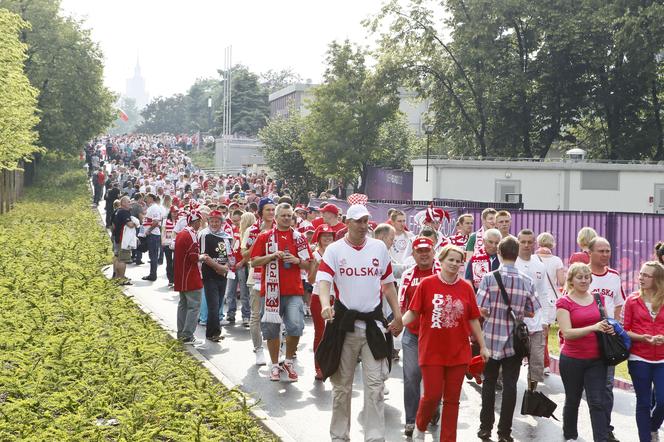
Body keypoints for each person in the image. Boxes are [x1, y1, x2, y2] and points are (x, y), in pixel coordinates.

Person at [316, 204, 403, 441]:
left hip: (373, 325)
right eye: (358, 221)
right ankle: (339, 436)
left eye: (366, 221)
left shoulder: (378, 248)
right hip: (344, 325)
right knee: (342, 387)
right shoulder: (334, 249)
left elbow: (388, 285)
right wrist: (326, 304)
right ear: (347, 222)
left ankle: (375, 437)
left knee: (375, 386)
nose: (364, 226)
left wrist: (397, 315)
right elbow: (323, 280)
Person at [403, 244, 490, 441]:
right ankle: (420, 426)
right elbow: (414, 311)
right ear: (440, 261)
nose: (454, 264)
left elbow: (473, 318)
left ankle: (448, 438)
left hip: (458, 351)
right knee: (432, 395)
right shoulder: (427, 284)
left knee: (452, 400)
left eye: (458, 261)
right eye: (450, 259)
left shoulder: (466, 288)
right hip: (432, 350)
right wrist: (397, 323)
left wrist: (483, 345)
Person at [476, 236, 540, 442]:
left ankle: (485, 427)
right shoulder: (527, 280)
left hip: (491, 338)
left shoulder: (489, 277)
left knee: (489, 383)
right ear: (517, 253)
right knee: (511, 385)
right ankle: (505, 432)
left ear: (500, 254)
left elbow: (481, 308)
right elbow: (532, 312)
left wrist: (492, 314)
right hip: (514, 340)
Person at [250, 203, 312, 382]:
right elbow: (254, 262)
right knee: (271, 329)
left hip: (293, 291)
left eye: (289, 215)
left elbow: (308, 264)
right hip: (271, 292)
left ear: (293, 217)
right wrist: (271, 256)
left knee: (296, 326)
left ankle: (289, 361)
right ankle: (275, 365)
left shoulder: (299, 237)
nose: (286, 218)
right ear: (275, 218)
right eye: (283, 215)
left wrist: (296, 260)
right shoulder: (265, 237)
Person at [556, 263, 615, 442]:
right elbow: (567, 333)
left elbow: (604, 323)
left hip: (596, 359)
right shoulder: (564, 302)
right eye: (579, 277)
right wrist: (594, 327)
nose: (584, 280)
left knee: (597, 402)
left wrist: (608, 328)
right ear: (571, 280)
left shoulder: (598, 299)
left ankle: (601, 438)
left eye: (586, 277)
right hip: (572, 359)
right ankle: (570, 436)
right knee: (572, 400)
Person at [398, 236, 441, 437]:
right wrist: (398, 323)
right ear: (413, 254)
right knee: (411, 377)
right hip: (413, 335)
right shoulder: (407, 275)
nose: (424, 254)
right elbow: (401, 303)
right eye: (419, 251)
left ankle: (433, 408)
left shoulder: (443, 273)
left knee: (435, 378)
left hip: (437, 336)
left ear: (433, 252)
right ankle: (411, 420)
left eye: (427, 251)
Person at [589, 236, 625, 442]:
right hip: (586, 337)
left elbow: (619, 302)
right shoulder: (582, 274)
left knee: (607, 386)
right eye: (601, 251)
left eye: (608, 250)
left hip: (607, 340)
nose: (605, 254)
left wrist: (615, 325)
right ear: (590, 253)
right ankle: (572, 429)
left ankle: (605, 428)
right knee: (584, 389)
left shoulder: (614, 276)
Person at [623, 261, 664, 442]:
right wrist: (643, 337)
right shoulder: (632, 300)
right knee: (643, 402)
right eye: (641, 274)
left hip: (662, 359)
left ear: (657, 280)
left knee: (663, 401)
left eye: (646, 275)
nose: (641, 278)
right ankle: (645, 438)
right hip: (639, 357)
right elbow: (625, 330)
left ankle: (653, 427)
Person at [515, 229, 551, 391]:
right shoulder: (511, 263)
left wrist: (545, 320)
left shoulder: (539, 266)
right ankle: (508, 386)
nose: (526, 245)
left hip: (536, 323)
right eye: (523, 241)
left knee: (536, 361)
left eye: (530, 242)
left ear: (534, 243)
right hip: (514, 323)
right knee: (512, 359)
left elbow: (543, 293)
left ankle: (532, 392)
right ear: (518, 242)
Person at [243, 197, 276, 366]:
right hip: (255, 277)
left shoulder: (281, 229)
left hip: (276, 278)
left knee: (275, 315)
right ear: (261, 212)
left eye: (273, 210)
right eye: (268, 210)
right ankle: (258, 349)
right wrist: (260, 238)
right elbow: (245, 255)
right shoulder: (252, 230)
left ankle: (276, 349)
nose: (271, 213)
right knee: (256, 315)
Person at [199, 210, 233, 342]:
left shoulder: (227, 237)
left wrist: (228, 268)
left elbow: (230, 256)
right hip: (210, 274)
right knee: (213, 304)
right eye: (212, 221)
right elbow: (204, 256)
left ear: (221, 222)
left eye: (217, 221)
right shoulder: (204, 235)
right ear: (208, 222)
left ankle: (216, 330)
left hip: (223, 274)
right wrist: (218, 267)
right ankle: (212, 333)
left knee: (219, 303)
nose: (214, 223)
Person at [174, 211, 207, 345]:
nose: (201, 223)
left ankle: (181, 333)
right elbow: (194, 257)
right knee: (193, 306)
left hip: (181, 275)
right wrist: (202, 257)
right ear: (197, 221)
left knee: (183, 305)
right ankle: (188, 335)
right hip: (190, 276)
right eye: (200, 220)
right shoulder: (192, 234)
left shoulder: (182, 233)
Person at [308, 223, 335, 380]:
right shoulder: (315, 255)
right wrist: (316, 267)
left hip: (335, 297)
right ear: (318, 238)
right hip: (318, 296)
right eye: (324, 236)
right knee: (320, 333)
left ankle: (332, 363)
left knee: (336, 333)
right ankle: (319, 366)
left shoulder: (337, 253)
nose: (327, 238)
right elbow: (310, 280)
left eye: (330, 236)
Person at [535, 231, 565, 372]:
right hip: (551, 299)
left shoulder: (533, 258)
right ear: (552, 244)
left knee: (535, 331)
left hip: (535, 297)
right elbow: (562, 281)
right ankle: (544, 363)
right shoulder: (557, 260)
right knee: (544, 331)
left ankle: (539, 361)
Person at [225, 210, 251, 327]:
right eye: (233, 221)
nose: (234, 223)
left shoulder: (247, 233)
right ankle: (231, 313)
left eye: (237, 221)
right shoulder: (234, 230)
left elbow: (250, 252)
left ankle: (246, 315)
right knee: (230, 291)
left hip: (241, 266)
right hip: (232, 266)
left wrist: (242, 262)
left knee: (244, 292)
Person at [112, 196, 136, 285]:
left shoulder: (117, 211)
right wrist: (136, 223)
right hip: (123, 240)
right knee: (122, 260)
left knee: (117, 258)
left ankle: (117, 277)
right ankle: (121, 279)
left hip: (117, 238)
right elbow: (130, 224)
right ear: (124, 203)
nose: (130, 203)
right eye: (129, 202)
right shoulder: (124, 212)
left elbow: (113, 225)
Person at [142, 193, 163, 282]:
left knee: (153, 255)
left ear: (151, 198)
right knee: (152, 255)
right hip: (151, 234)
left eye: (146, 198)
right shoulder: (151, 207)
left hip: (153, 235)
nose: (145, 200)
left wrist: (149, 230)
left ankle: (153, 275)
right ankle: (152, 274)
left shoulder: (154, 208)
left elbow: (156, 222)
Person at [162, 206, 178, 287]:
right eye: (173, 212)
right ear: (170, 213)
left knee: (176, 262)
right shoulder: (165, 221)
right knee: (169, 262)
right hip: (167, 243)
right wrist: (162, 242)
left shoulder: (179, 221)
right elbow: (163, 232)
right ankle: (170, 279)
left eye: (176, 212)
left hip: (177, 244)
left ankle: (175, 279)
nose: (175, 214)